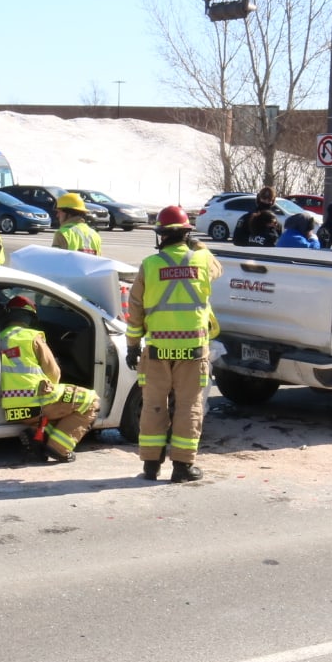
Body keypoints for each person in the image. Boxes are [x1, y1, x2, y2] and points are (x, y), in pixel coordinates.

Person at [126, 205, 219, 482]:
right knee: (189, 406)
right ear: (186, 234)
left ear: (161, 236)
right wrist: (198, 245)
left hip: (157, 349)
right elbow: (217, 268)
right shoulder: (202, 260)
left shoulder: (150, 265)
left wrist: (132, 345)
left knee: (154, 405)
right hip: (192, 349)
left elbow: (135, 310)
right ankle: (182, 467)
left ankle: (151, 467)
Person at [0, 295, 95, 463]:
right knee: (90, 401)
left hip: (11, 405)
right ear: (30, 317)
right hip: (37, 399)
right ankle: (59, 449)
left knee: (49, 413)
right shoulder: (32, 336)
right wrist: (53, 389)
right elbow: (53, 372)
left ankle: (38, 438)